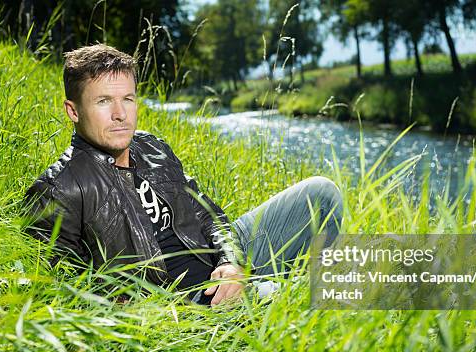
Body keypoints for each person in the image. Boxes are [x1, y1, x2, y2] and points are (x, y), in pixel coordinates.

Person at [24, 44, 343, 306]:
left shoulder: (152, 147)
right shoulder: (58, 190)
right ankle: (335, 297)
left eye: (128, 99)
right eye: (104, 101)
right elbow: (63, 297)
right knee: (306, 296)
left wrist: (229, 262)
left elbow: (210, 217)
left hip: (219, 262)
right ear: (73, 110)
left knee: (321, 193)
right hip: (189, 300)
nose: (120, 114)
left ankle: (329, 288)